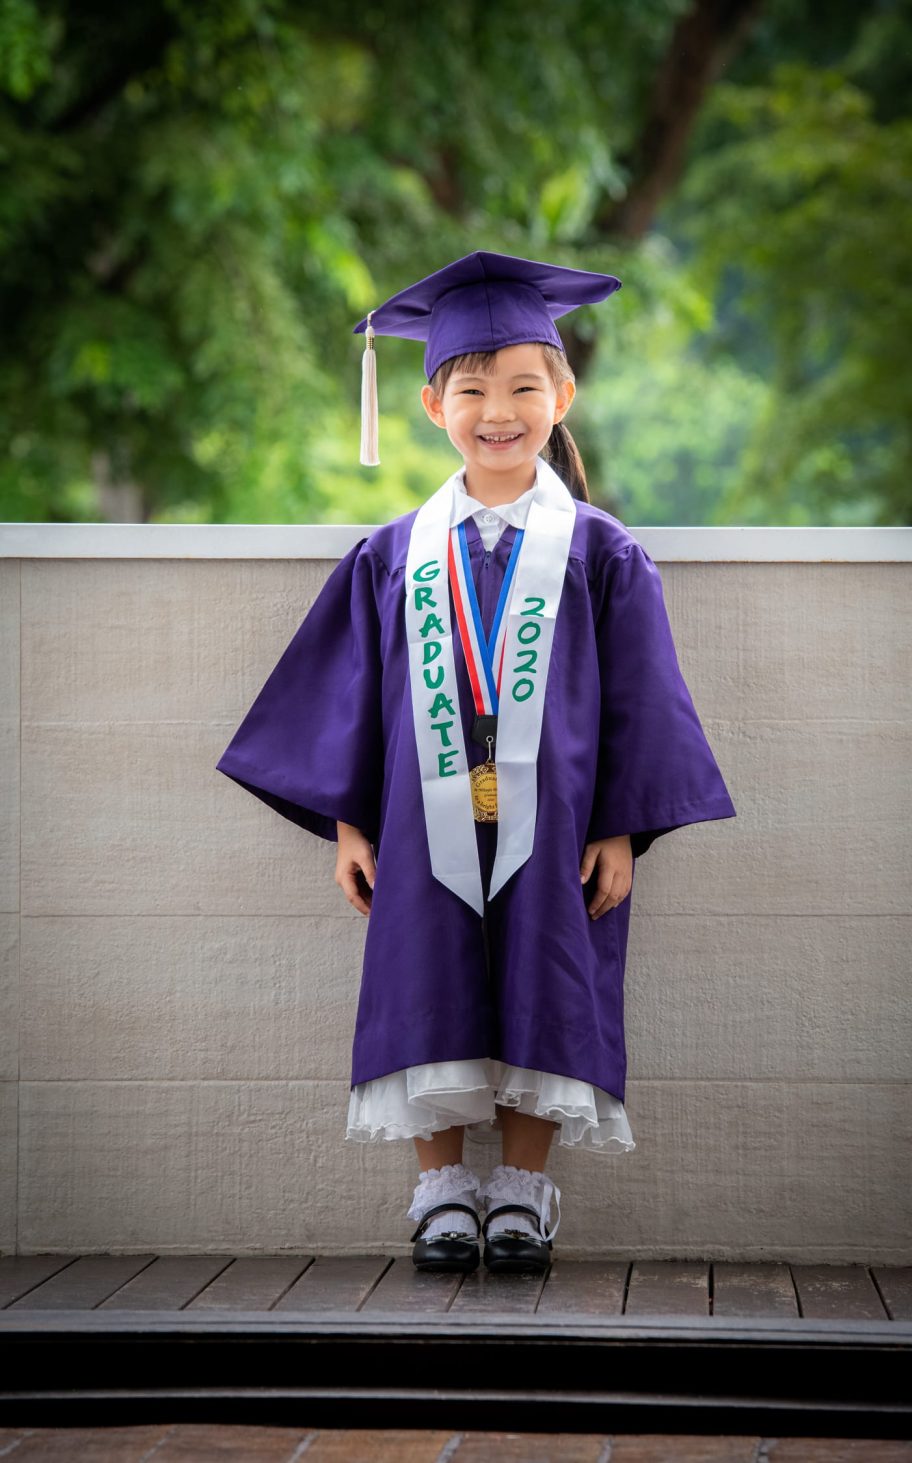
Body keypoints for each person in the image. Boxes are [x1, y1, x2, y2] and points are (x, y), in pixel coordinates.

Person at [215, 250, 736, 1276]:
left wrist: (624, 822)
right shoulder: (394, 552)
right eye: (472, 390)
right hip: (423, 815)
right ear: (429, 402)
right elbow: (348, 696)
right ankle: (443, 1188)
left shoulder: (600, 552)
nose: (498, 411)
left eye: (523, 388)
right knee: (428, 974)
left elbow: (644, 696)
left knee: (547, 969)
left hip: (562, 817)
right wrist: (351, 825)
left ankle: (526, 1194)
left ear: (564, 394)